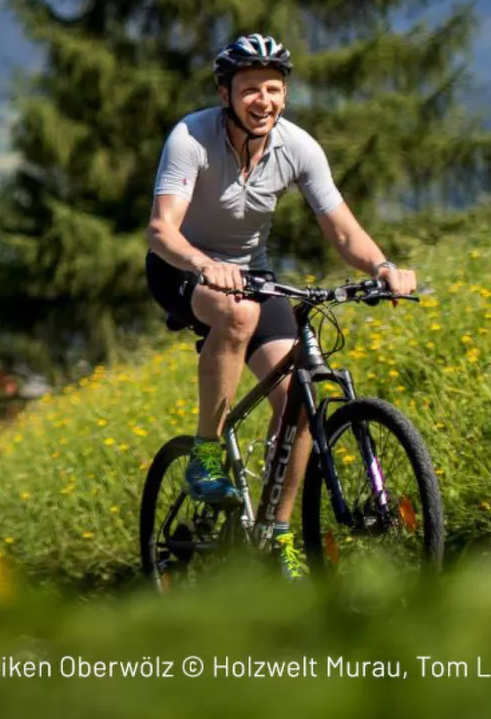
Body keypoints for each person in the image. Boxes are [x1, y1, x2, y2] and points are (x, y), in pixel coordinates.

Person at [145, 32, 417, 578]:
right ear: (226, 94)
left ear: (285, 96)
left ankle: (277, 532)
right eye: (250, 89)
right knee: (236, 314)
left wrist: (383, 268)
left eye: (273, 88)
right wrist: (204, 265)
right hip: (182, 266)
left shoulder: (299, 147)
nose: (263, 100)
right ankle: (205, 451)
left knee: (299, 398)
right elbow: (161, 230)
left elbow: (342, 232)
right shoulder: (191, 138)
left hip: (252, 274)